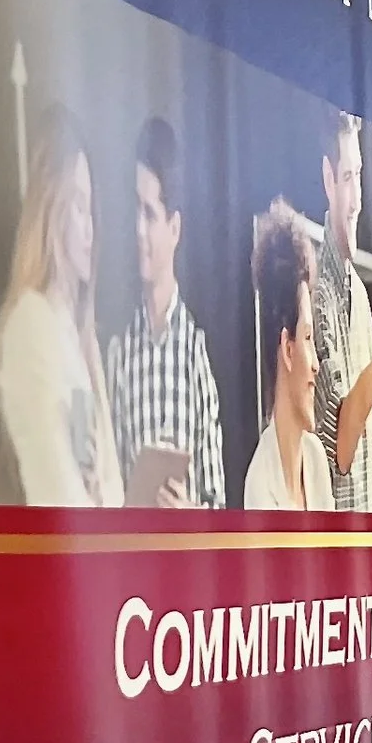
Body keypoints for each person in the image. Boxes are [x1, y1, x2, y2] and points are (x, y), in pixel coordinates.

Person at [0, 104, 122, 506]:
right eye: (78, 205)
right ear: (51, 206)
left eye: (90, 208)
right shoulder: (30, 327)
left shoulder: (75, 338)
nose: (90, 227)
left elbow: (109, 491)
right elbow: (56, 497)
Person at [106, 116, 225, 508]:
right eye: (135, 211)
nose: (139, 230)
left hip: (184, 564)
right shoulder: (119, 354)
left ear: (174, 228)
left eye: (150, 214)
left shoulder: (195, 353)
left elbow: (216, 501)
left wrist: (188, 513)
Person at [312, 108, 372, 509]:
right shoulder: (316, 297)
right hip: (333, 555)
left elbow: (364, 461)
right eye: (346, 179)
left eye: (359, 176)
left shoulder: (359, 294)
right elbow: (341, 445)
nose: (358, 200)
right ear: (328, 179)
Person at [243, 202, 335, 510]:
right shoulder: (260, 486)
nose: (316, 364)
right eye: (308, 338)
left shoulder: (316, 460)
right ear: (287, 348)